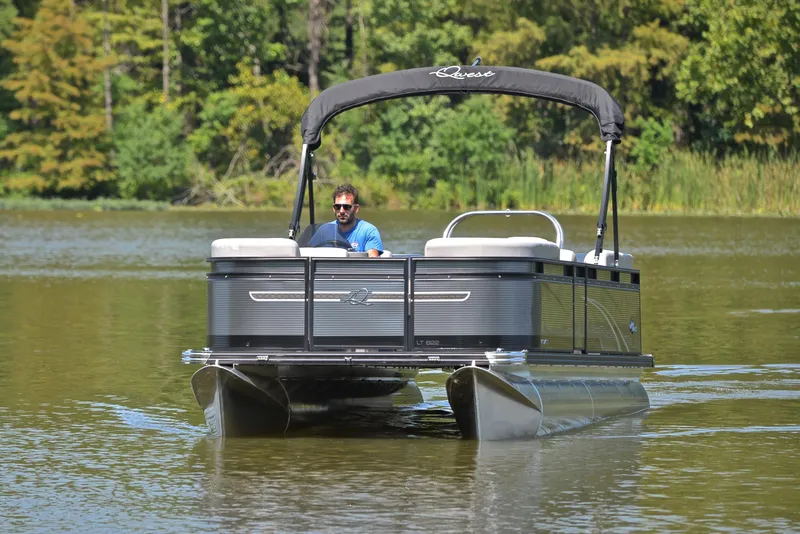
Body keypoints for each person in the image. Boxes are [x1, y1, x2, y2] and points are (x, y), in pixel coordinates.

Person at [316, 184, 384, 257]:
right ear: (333, 208)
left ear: (356, 209)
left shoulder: (368, 231)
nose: (341, 211)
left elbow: (373, 261)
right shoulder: (323, 231)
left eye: (346, 207)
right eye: (337, 207)